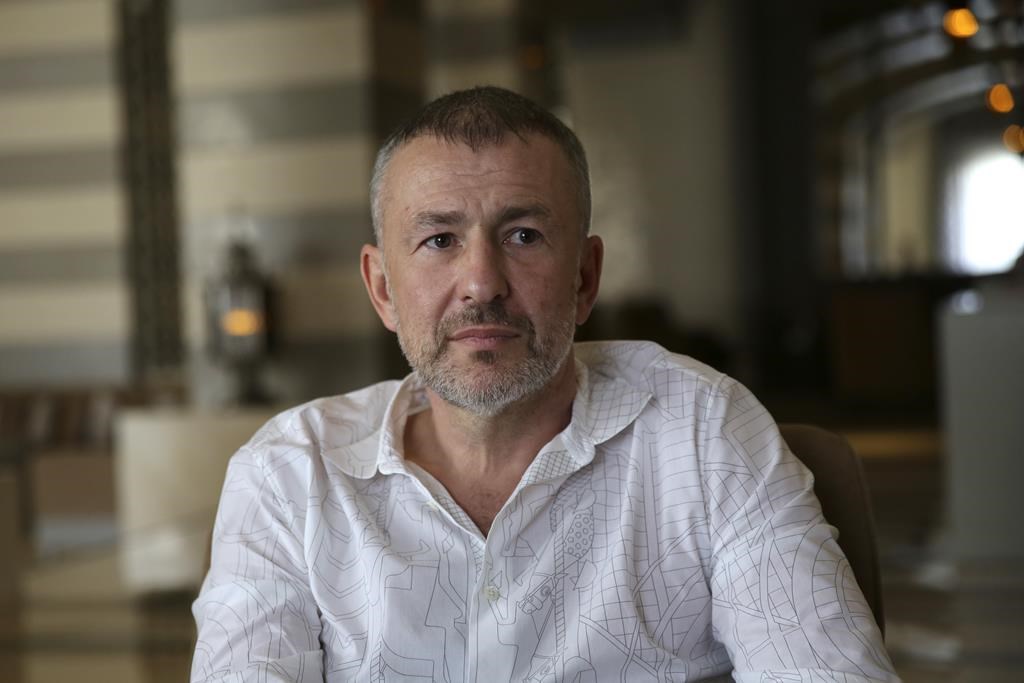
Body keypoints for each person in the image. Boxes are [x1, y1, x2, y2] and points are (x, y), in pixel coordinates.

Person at [192, 86, 899, 682]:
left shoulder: (702, 432)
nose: (481, 283)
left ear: (585, 277)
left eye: (523, 234)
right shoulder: (288, 475)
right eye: (439, 240)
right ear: (382, 287)